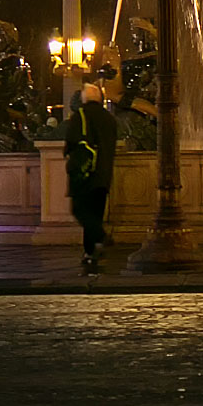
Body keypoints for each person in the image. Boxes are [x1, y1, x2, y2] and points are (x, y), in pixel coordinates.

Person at [63, 82, 117, 274]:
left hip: (85, 173)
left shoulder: (81, 116)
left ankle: (100, 237)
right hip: (104, 174)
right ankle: (91, 252)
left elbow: (71, 140)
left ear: (84, 98)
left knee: (79, 209)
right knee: (96, 212)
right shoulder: (110, 119)